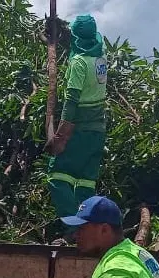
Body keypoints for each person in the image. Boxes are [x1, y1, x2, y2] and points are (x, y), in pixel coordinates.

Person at [46, 14, 108, 218]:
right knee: (85, 184)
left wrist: (61, 136)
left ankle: (73, 227)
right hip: (97, 132)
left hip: (78, 131)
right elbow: (79, 42)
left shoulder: (78, 64)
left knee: (57, 177)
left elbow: (71, 101)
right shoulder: (101, 58)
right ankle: (88, 226)